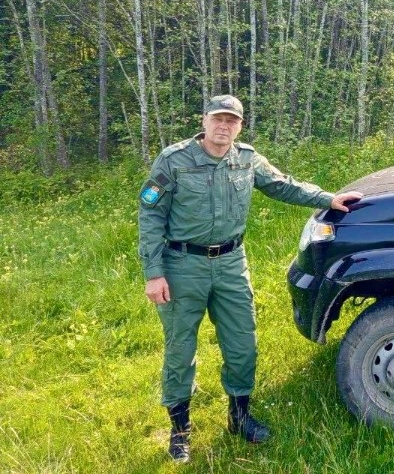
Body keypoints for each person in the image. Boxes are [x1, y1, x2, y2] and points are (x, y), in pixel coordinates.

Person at [138, 94, 362, 463]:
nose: (224, 126)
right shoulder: (174, 160)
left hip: (230, 264)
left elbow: (282, 184)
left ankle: (239, 416)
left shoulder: (246, 158)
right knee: (181, 348)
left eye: (232, 120)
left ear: (240, 125)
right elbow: (150, 215)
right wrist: (154, 273)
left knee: (243, 344)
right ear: (204, 120)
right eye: (218, 119)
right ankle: (180, 430)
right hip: (182, 266)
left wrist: (329, 197)